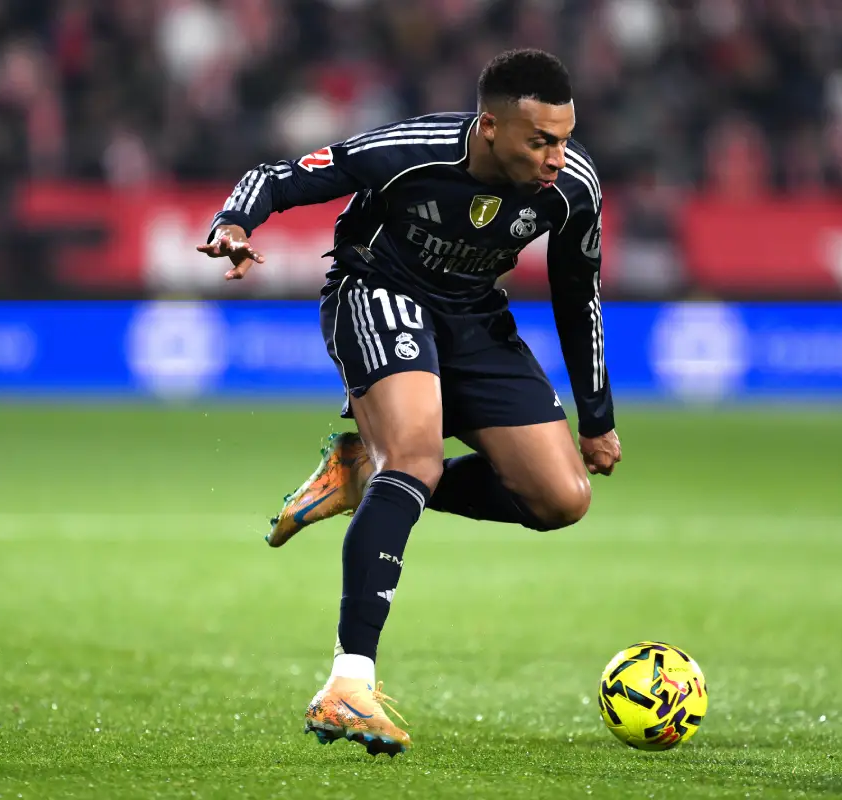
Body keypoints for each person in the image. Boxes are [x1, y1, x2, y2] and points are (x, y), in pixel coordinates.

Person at [198, 49, 621, 756]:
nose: (557, 156)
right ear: (490, 127)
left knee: (562, 499)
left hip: (475, 319)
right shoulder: (412, 151)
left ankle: (364, 474)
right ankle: (348, 682)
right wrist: (235, 223)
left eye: (565, 138)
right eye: (540, 140)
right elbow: (283, 177)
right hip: (377, 291)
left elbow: (581, 293)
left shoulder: (572, 187)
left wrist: (597, 419)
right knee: (416, 459)